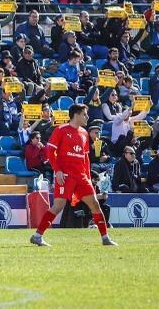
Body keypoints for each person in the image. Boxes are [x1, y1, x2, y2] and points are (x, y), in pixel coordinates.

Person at [31, 103, 117, 246]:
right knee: (58, 206)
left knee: (95, 204)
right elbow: (50, 152)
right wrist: (57, 170)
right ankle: (37, 236)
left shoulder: (84, 133)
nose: (87, 117)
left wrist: (88, 177)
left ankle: (105, 238)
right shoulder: (61, 130)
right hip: (65, 176)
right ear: (76, 115)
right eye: (85, 114)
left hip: (82, 177)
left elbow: (85, 158)